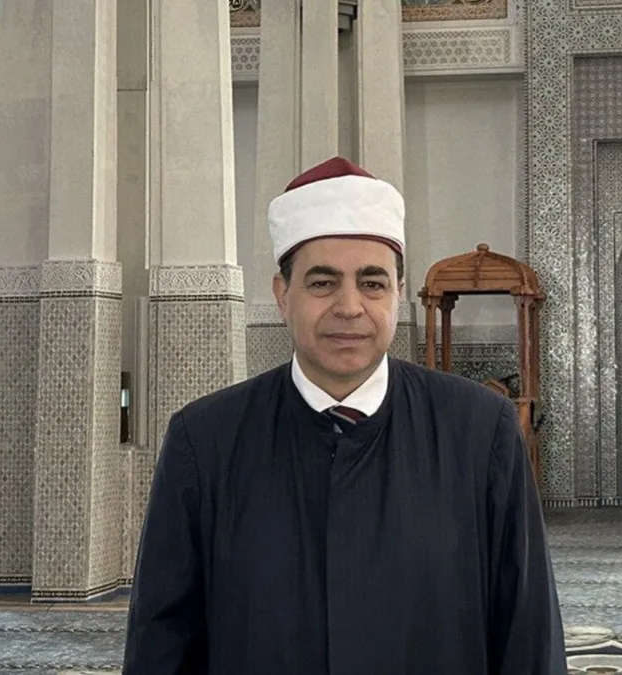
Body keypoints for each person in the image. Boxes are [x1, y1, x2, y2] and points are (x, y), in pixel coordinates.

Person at [122, 156, 566, 674]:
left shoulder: (479, 431)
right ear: (282, 295)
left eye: (372, 283)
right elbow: (162, 643)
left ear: (398, 294)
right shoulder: (206, 441)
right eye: (322, 283)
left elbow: (527, 632)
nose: (349, 306)